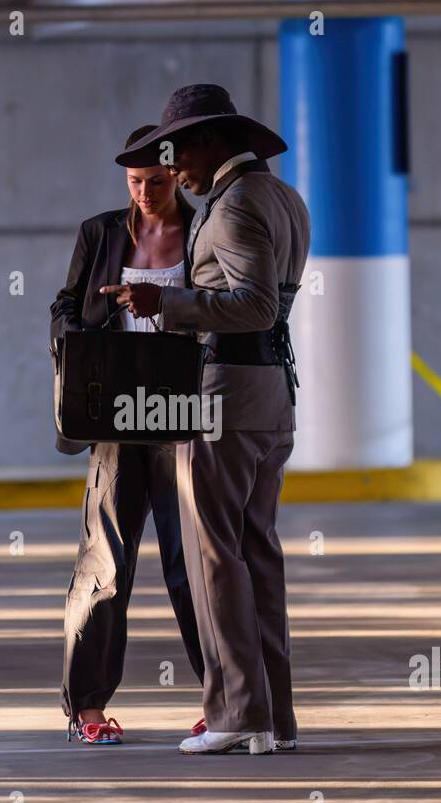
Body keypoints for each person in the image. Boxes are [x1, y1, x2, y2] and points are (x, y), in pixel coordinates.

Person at [103, 84, 311, 755]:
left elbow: (252, 307)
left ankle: (234, 714)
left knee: (213, 555)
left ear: (213, 140)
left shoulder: (236, 205)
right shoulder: (285, 198)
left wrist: (165, 303)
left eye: (179, 150)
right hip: (272, 392)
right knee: (257, 552)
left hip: (224, 391)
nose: (174, 169)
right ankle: (273, 717)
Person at [50, 125, 206, 745]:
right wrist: (80, 340)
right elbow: (63, 305)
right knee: (105, 562)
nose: (146, 193)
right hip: (114, 413)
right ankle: (87, 709)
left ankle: (221, 699)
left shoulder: (202, 232)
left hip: (179, 414)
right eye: (136, 182)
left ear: (177, 177)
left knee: (191, 563)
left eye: (158, 182)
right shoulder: (101, 233)